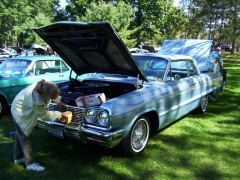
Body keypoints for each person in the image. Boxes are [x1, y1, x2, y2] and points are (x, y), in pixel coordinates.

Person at [11, 79, 70, 171]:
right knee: (25, 136)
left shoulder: (46, 84)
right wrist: (60, 115)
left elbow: (53, 92)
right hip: (21, 112)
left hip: (21, 105)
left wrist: (58, 101)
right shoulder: (36, 99)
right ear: (44, 95)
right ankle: (30, 164)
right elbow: (44, 115)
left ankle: (18, 158)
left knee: (20, 134)